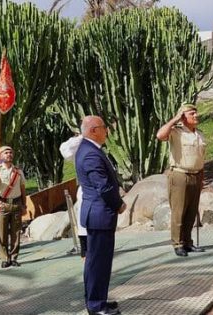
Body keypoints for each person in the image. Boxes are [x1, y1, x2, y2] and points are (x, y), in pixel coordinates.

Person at [76, 116, 124, 315]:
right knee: (98, 263)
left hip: (98, 215)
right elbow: (102, 186)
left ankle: (98, 300)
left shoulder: (89, 149)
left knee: (98, 262)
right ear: (93, 130)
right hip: (99, 214)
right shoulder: (90, 154)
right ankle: (96, 306)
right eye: (104, 127)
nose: (107, 131)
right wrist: (119, 204)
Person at [157, 103, 207, 257]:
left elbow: (201, 157)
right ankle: (178, 244)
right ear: (183, 117)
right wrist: (175, 119)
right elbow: (160, 135)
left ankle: (187, 242)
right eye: (192, 113)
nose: (196, 115)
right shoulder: (176, 132)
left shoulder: (199, 134)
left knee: (191, 212)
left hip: (196, 174)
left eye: (196, 113)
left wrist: (202, 177)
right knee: (179, 212)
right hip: (180, 174)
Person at [0, 146, 26, 268]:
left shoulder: (18, 171)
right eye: (6, 152)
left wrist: (24, 205)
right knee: (2, 233)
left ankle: (14, 257)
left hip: (16, 203)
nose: (9, 154)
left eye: (10, 152)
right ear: (1, 155)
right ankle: (4, 258)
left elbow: (23, 189)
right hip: (3, 204)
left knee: (16, 233)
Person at [60, 135, 87, 258]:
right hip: (86, 190)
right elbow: (65, 150)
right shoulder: (79, 146)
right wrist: (82, 136)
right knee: (84, 223)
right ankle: (86, 252)